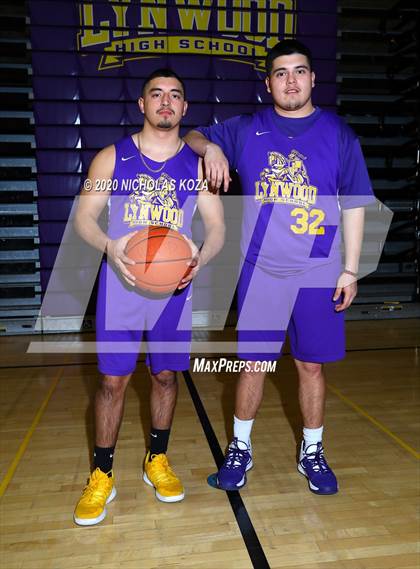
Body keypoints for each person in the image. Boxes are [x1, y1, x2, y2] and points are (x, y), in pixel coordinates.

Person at [184, 40, 374, 495]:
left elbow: (354, 205)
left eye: (300, 71)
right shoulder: (248, 128)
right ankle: (240, 448)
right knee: (253, 363)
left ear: (313, 78)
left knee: (311, 367)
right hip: (261, 271)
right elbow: (191, 135)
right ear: (268, 83)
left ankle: (312, 451)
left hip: (318, 272)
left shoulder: (339, 134)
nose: (291, 81)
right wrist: (210, 148)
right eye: (282, 73)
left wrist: (350, 269)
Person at [73, 68, 225, 525]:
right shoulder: (110, 158)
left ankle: (155, 460)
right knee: (112, 382)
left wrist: (201, 256)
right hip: (121, 286)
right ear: (141, 105)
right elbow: (85, 217)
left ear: (184, 108)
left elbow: (216, 227)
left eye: (175, 95)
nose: (165, 102)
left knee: (164, 377)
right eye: (156, 94)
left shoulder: (196, 166)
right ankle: (102, 473)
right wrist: (109, 245)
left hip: (172, 289)